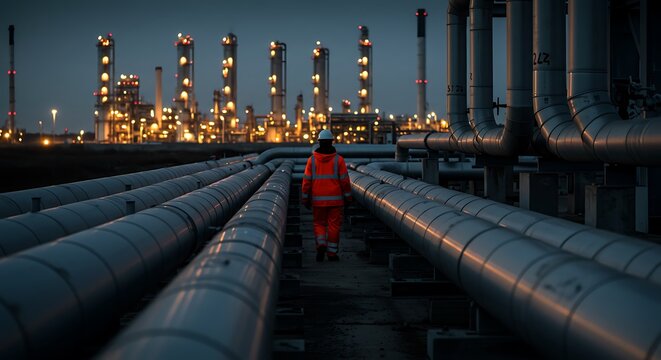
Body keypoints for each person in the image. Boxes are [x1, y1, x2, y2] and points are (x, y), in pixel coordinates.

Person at [302, 129, 352, 262]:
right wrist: (348, 197)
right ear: (331, 142)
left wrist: (305, 198)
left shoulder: (311, 161)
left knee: (319, 224)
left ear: (319, 142)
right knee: (334, 226)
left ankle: (321, 245)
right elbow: (345, 181)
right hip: (336, 201)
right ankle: (332, 254)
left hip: (318, 200)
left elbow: (306, 182)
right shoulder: (339, 160)